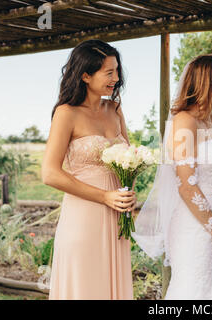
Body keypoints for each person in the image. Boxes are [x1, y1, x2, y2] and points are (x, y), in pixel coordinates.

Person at [132, 53, 212, 299]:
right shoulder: (184, 122)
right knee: (195, 288)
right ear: (208, 83)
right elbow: (186, 185)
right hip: (193, 223)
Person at [42, 40, 136, 300]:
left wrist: (129, 192)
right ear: (85, 75)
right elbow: (49, 173)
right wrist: (105, 196)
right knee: (86, 287)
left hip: (117, 216)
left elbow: (129, 158)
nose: (116, 78)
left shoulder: (115, 110)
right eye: (109, 72)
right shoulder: (66, 113)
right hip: (83, 217)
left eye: (117, 71)